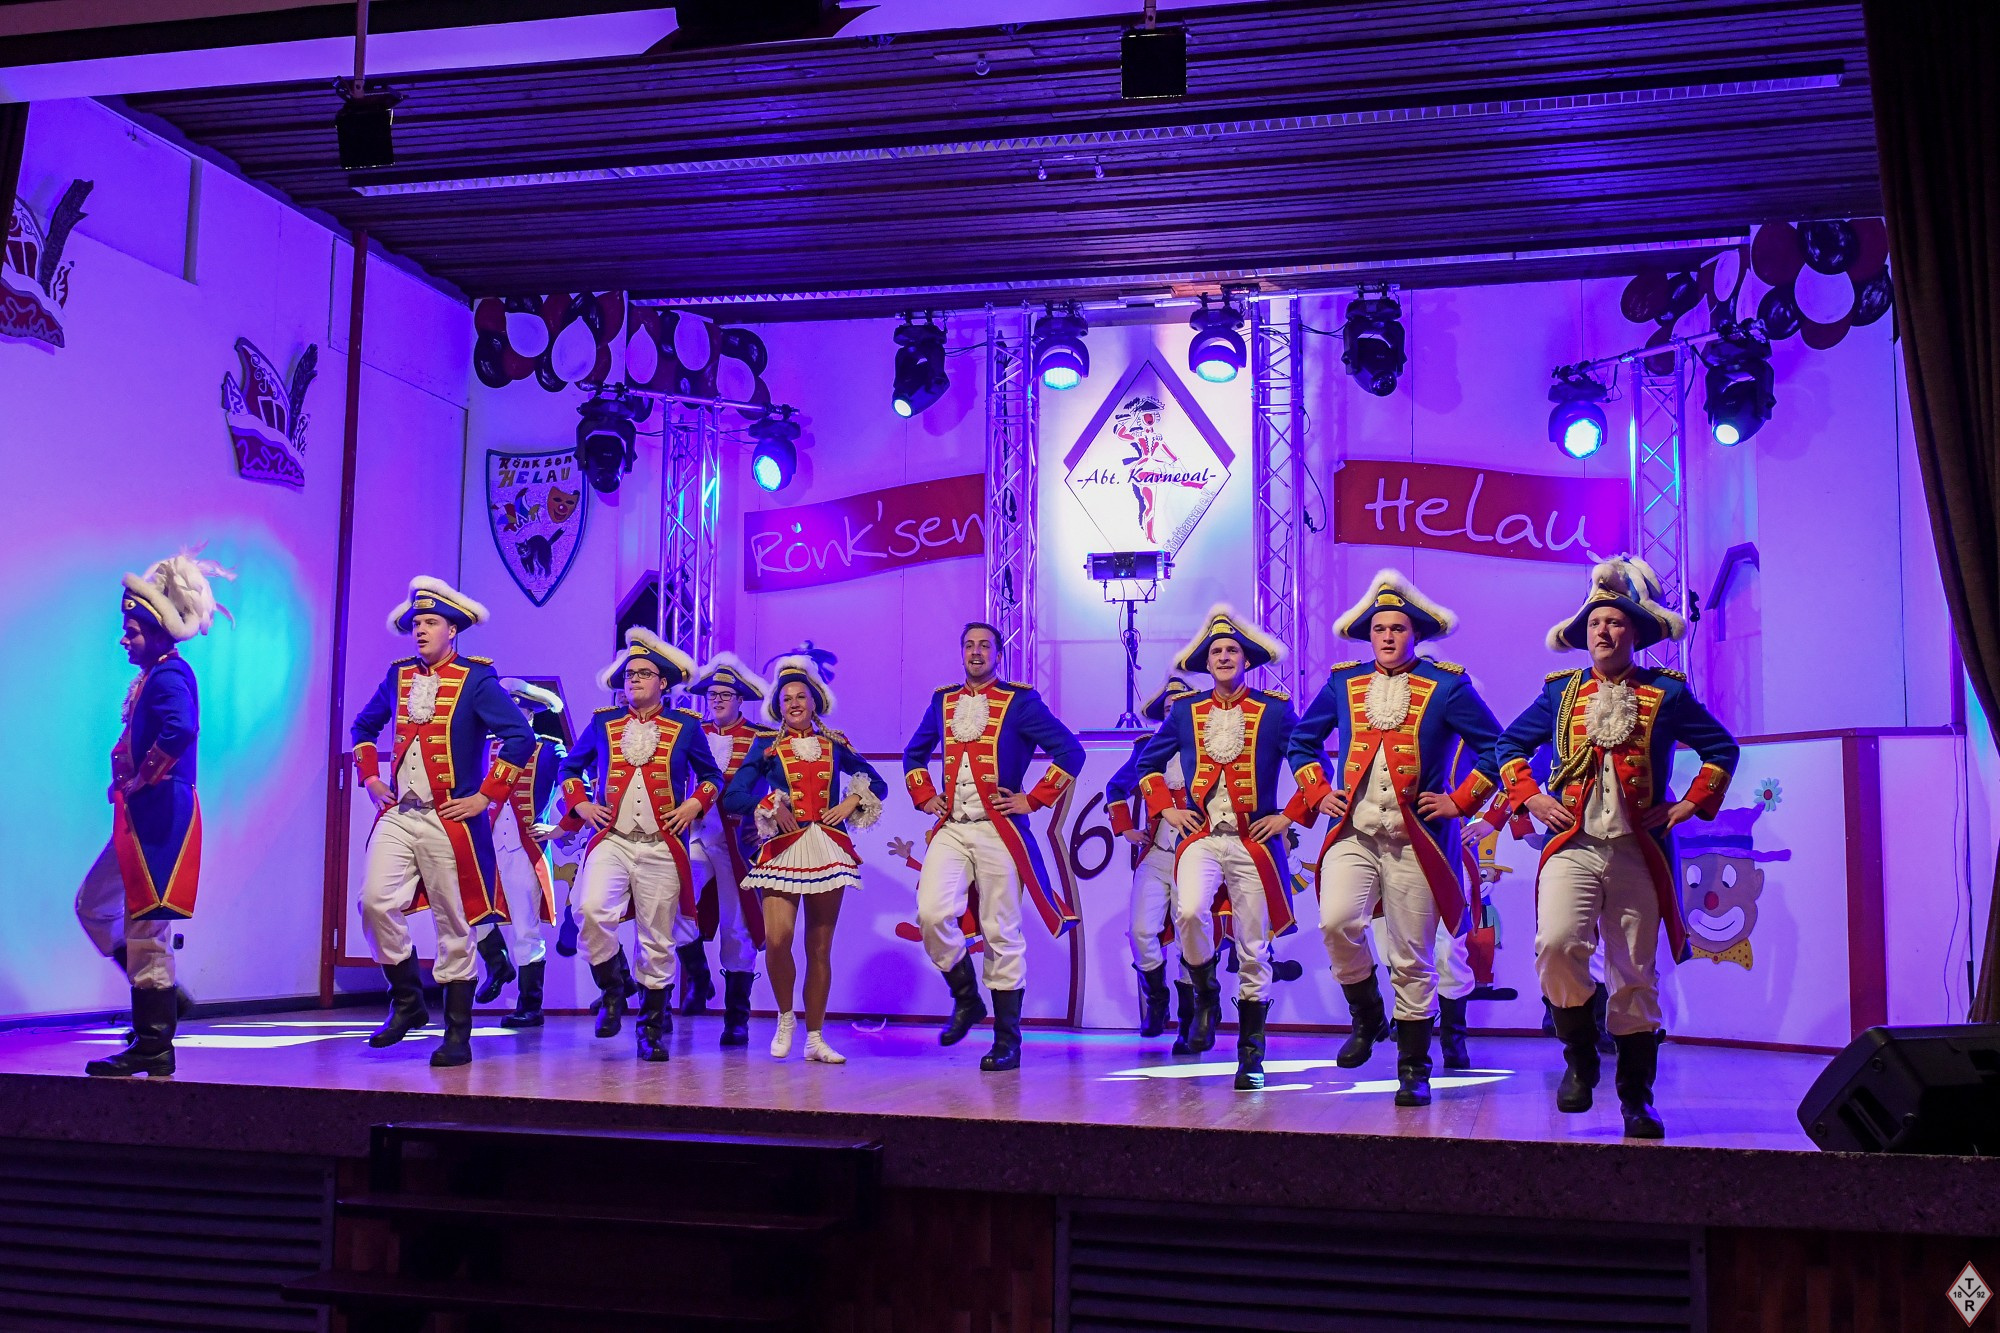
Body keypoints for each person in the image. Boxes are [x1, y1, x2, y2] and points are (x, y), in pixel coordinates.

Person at [1496, 557, 1738, 1138]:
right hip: (1572, 844)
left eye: (1615, 622)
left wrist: (1687, 805)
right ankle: (1579, 1059)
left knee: (1634, 972)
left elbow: (1721, 749)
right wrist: (1531, 798)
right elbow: (1508, 746)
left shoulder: (1665, 692)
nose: (1603, 631)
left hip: (1636, 850)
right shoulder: (1560, 692)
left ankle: (1636, 1098)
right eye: (1596, 622)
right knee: (1556, 946)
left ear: (1634, 633)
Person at [1286, 570, 1503, 1107]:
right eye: (1379, 628)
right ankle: (1366, 1014)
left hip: (1417, 840)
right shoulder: (1344, 683)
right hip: (1355, 833)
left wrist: (1461, 801)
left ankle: (1414, 1067)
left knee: (1412, 956)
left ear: (1415, 634)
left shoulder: (1447, 685)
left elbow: (1498, 747)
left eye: (1397, 628)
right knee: (1336, 922)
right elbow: (1302, 741)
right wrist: (1317, 791)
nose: (1386, 636)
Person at [351, 577, 535, 1068]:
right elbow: (363, 726)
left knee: (454, 922)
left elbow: (520, 736)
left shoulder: (476, 679)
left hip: (447, 817)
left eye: (431, 622)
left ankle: (457, 1033)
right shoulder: (398, 676)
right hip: (399, 812)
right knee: (374, 903)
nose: (420, 630)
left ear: (452, 630)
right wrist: (370, 778)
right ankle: (407, 1001)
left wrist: (485, 796)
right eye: (417, 622)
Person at [1135, 604, 1312, 1091]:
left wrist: (1289, 815)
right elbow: (1147, 765)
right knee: (1190, 912)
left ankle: (1251, 1054)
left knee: (1254, 946)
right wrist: (1166, 809)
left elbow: (1308, 760)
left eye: (1232, 650)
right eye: (1216, 651)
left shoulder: (1274, 710)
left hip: (1254, 842)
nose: (1224, 657)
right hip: (1202, 837)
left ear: (1245, 660)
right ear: (1207, 662)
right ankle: (1206, 991)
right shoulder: (1185, 711)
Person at [903, 622, 1085, 1073]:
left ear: (999, 654)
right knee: (932, 913)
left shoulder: (1020, 701)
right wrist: (925, 795)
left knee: (1000, 928)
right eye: (969, 645)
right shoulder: (943, 701)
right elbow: (914, 754)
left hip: (999, 829)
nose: (976, 652)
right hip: (952, 826)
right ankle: (967, 997)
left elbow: (1070, 751)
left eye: (985, 645)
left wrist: (1034, 799)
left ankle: (1007, 1040)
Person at [77, 551, 233, 1076]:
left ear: (157, 632)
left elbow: (180, 729)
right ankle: (167, 1001)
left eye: (132, 632)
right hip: (141, 816)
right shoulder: (155, 675)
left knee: (146, 930)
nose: (124, 640)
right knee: (94, 904)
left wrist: (145, 776)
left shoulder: (168, 676)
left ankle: (154, 1043)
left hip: (161, 814)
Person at [556, 629, 724, 1062]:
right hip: (612, 838)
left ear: (662, 682)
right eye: (630, 673)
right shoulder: (603, 722)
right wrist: (580, 803)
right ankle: (614, 988)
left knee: (657, 938)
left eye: (643, 673)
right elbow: (570, 768)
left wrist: (694, 804)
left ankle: (650, 1029)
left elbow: (712, 777)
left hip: (661, 844)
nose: (633, 679)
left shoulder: (686, 726)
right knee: (590, 910)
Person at [723, 656, 887, 1064]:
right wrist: (768, 804)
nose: (794, 703)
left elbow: (878, 783)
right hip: (782, 850)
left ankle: (815, 1038)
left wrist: (852, 799)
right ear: (778, 707)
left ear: (815, 702)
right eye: (787, 698)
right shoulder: (766, 745)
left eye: (801, 697)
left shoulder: (836, 743)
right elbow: (733, 796)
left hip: (828, 848)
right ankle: (785, 1018)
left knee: (819, 947)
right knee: (778, 940)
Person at [683, 652, 776, 1046]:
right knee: (672, 903)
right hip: (694, 834)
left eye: (725, 695)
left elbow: (778, 787)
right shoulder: (691, 731)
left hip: (737, 842)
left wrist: (766, 821)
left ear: (740, 700)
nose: (717, 701)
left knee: (738, 926)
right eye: (712, 695)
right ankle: (699, 977)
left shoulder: (762, 738)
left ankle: (737, 1018)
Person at [1105, 673, 1198, 1043]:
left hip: (1195, 857)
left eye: (1180, 707)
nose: (1174, 712)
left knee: (1192, 937)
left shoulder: (1207, 747)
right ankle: (1157, 1001)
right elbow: (1116, 787)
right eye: (1169, 708)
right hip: (1156, 855)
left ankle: (1190, 1020)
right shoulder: (1147, 747)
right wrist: (1126, 828)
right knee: (1142, 931)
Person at [472, 679, 567, 1028]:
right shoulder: (482, 746)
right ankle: (498, 965)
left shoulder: (549, 749)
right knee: (471, 910)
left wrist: (562, 827)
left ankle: (530, 1005)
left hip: (524, 848)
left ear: (530, 713)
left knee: (526, 928)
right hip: (484, 845)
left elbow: (577, 784)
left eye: (517, 709)